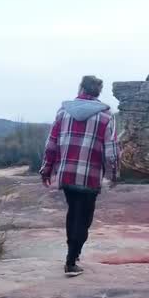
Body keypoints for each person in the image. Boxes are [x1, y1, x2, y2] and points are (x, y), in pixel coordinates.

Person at [39, 75, 119, 276]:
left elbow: (51, 145)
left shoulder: (63, 113)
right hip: (90, 176)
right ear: (98, 92)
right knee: (84, 217)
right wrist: (114, 174)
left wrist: (46, 170)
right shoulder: (106, 117)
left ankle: (71, 254)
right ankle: (72, 260)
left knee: (73, 212)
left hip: (66, 174)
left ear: (81, 88)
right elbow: (111, 151)